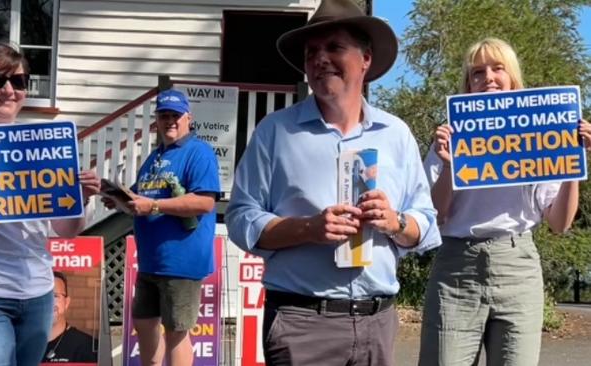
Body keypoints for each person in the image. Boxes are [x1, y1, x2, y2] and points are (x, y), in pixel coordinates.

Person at [225, 1, 441, 365]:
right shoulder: (276, 132)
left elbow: (426, 222)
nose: (320, 58)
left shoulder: (396, 134)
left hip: (377, 320)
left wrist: (396, 222)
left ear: (366, 59)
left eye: (334, 47)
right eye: (312, 52)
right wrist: (308, 228)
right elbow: (240, 218)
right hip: (302, 323)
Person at [419, 37, 591, 366]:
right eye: (477, 73)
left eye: (498, 69)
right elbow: (436, 214)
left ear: (513, 78)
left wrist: (574, 164)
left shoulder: (541, 137)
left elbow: (559, 223)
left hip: (518, 268)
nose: (488, 78)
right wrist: (449, 166)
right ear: (467, 85)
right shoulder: (449, 138)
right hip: (456, 268)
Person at [0, 43, 100, 366]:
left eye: (20, 81)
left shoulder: (45, 149)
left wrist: (80, 199)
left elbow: (66, 232)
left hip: (36, 296)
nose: (9, 90)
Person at [102, 89, 220, 366]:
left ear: (188, 118)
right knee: (143, 324)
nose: (170, 121)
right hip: (150, 260)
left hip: (182, 260)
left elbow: (204, 202)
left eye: (175, 116)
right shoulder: (155, 157)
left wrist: (154, 207)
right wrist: (117, 200)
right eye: (164, 115)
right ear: (156, 120)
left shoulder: (198, 152)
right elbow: (139, 198)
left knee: (177, 332)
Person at [42, 272, 98, 363]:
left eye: (55, 296)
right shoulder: (19, 345)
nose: (49, 302)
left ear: (66, 303)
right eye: (42, 296)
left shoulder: (87, 347)